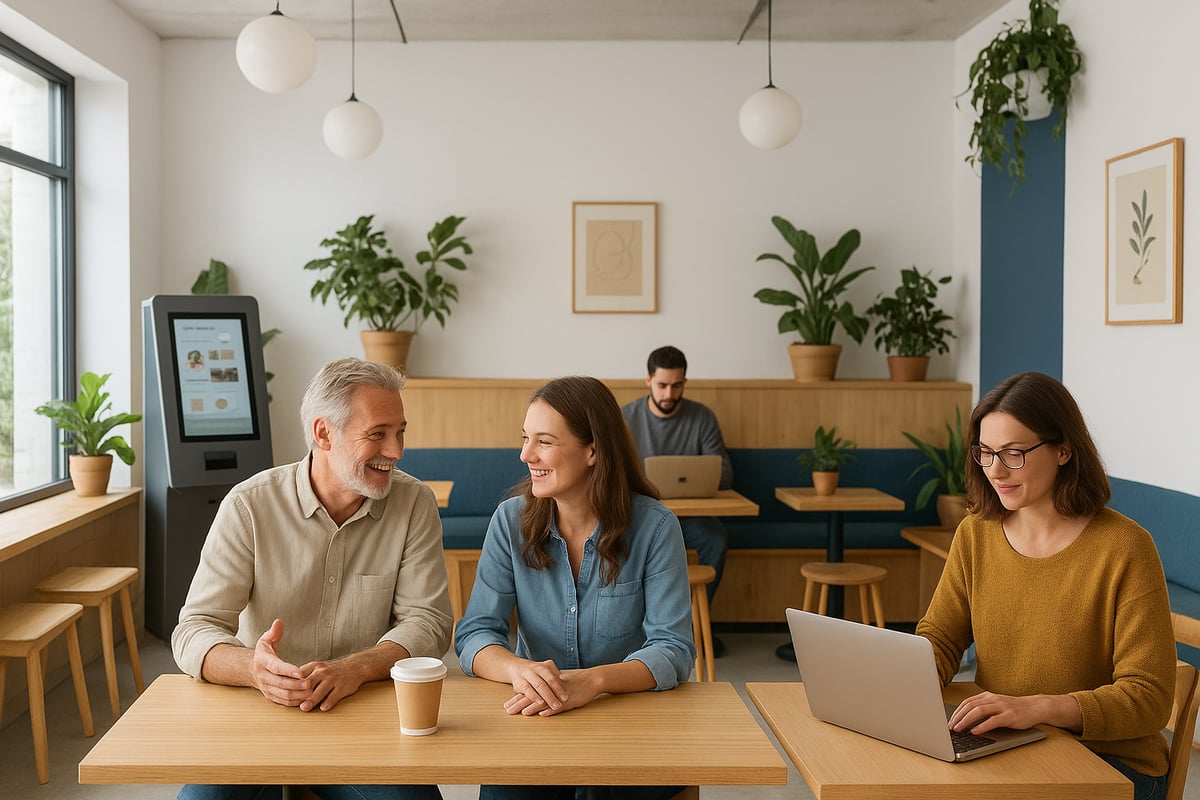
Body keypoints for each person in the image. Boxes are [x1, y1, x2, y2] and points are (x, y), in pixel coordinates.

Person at [171, 357, 453, 800]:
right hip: (258, 716)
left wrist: (356, 668)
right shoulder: (249, 505)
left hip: (365, 716)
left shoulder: (414, 502)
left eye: (400, 432)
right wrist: (255, 671)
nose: (396, 451)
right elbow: (194, 629)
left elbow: (429, 621)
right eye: (377, 434)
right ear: (324, 434)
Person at [916, 372, 1175, 800]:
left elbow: (1148, 698)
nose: (996, 470)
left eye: (1013, 453)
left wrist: (1038, 707)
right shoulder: (975, 534)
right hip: (1007, 743)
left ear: (1064, 450)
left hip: (1110, 763)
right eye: (985, 453)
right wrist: (910, 675)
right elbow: (941, 638)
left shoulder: (1125, 548)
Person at [455, 376, 695, 800]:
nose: (526, 454)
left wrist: (595, 682)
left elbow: (672, 649)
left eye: (544, 442)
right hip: (535, 720)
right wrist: (517, 669)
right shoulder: (510, 522)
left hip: (631, 721)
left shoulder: (656, 528)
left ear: (593, 450)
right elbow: (476, 634)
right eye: (526, 439)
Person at [621, 346, 732, 654]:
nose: (669, 393)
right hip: (639, 516)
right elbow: (610, 471)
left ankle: (692, 625)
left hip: (691, 517)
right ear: (648, 381)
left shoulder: (702, 417)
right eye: (662, 385)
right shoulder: (625, 418)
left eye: (677, 385)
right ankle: (638, 629)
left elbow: (724, 474)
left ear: (685, 381)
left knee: (716, 539)